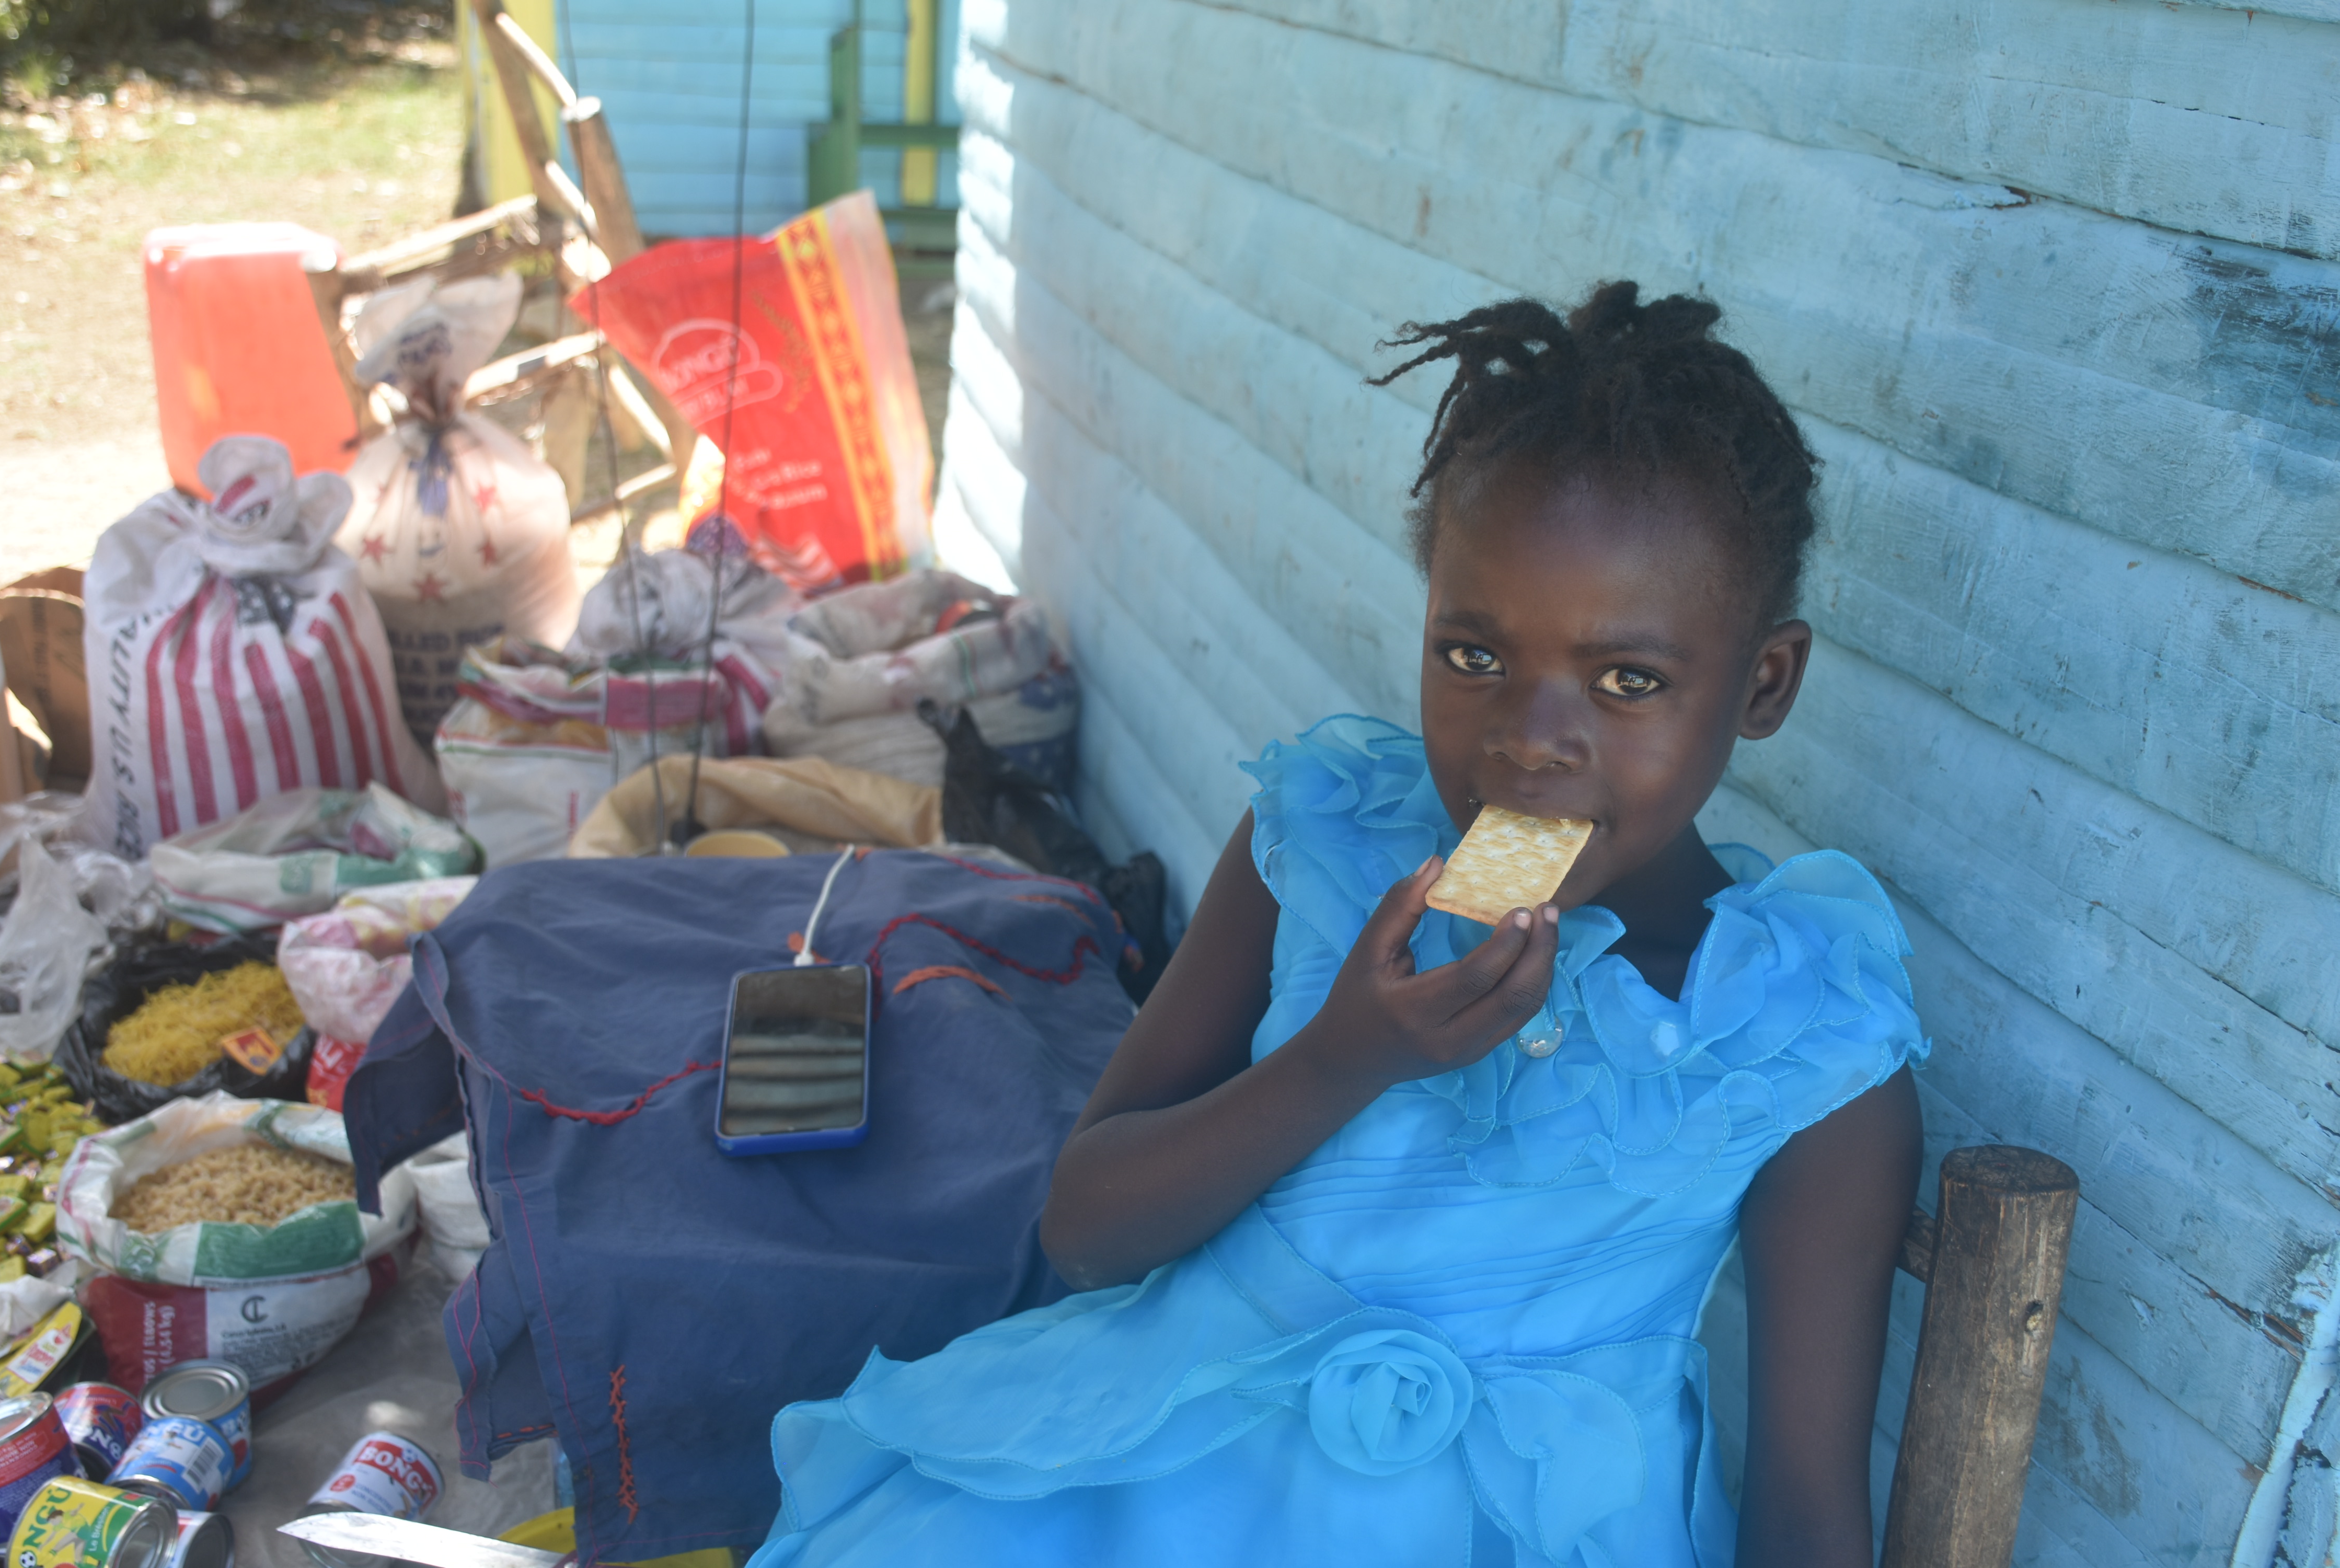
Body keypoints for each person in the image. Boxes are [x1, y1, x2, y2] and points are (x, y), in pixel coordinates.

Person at [747, 283, 1927, 1568]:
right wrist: (1342, 1057)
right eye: (1473, 657)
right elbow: (1085, 1234)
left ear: (1763, 684)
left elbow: (1809, 1517)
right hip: (1148, 1489)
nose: (1530, 740)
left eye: (1627, 681)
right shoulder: (1321, 849)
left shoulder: (1795, 1047)